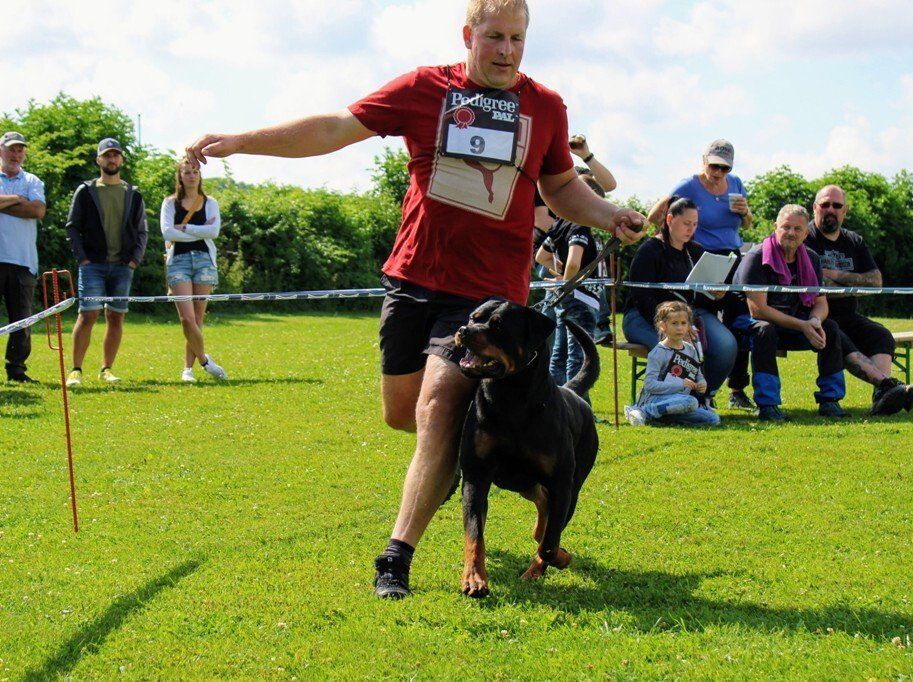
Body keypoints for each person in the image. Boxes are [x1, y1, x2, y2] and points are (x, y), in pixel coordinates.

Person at [185, 0, 645, 600]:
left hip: (484, 295)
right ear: (468, 35)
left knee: (438, 405)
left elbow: (559, 187)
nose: (506, 51)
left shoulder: (546, 107)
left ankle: (395, 556)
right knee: (404, 414)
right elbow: (336, 128)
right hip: (413, 278)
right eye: (495, 37)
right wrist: (242, 142)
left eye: (517, 39)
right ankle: (450, 465)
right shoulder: (424, 89)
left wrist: (609, 214)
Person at [646, 139, 755, 410]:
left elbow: (748, 225)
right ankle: (701, 388)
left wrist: (746, 213)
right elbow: (655, 215)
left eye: (725, 168)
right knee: (703, 327)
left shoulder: (736, 184)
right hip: (700, 259)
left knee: (740, 323)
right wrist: (667, 241)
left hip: (731, 260)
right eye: (714, 166)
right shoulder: (688, 186)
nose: (719, 173)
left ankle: (736, 389)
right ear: (703, 160)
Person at [804, 185, 913, 415]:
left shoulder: (854, 241)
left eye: (837, 205)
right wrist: (854, 285)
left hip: (849, 315)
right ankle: (888, 386)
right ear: (815, 208)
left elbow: (875, 282)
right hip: (817, 317)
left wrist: (833, 274)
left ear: (845, 210)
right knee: (838, 336)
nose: (831, 210)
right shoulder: (805, 238)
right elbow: (819, 287)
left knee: (881, 335)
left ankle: (882, 396)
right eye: (825, 204)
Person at [734, 205, 847, 421]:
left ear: (806, 234)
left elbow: (821, 303)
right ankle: (768, 405)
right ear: (775, 227)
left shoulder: (812, 258)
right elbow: (757, 310)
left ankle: (830, 400)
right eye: (786, 227)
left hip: (794, 324)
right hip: (748, 324)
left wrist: (814, 320)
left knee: (829, 328)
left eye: (797, 229)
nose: (791, 233)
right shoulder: (757, 257)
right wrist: (802, 325)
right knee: (765, 331)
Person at [624, 197, 737, 395]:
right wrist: (673, 325)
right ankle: (672, 399)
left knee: (726, 345)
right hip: (643, 316)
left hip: (689, 315)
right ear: (669, 219)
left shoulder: (696, 251)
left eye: (695, 224)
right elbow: (641, 297)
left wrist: (716, 295)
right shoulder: (649, 251)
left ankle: (703, 395)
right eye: (686, 223)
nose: (691, 229)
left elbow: (697, 298)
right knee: (675, 348)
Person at [65, 138, 149, 387]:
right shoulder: (85, 191)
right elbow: (72, 227)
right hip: (92, 265)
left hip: (123, 266)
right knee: (88, 315)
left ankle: (106, 369)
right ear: (98, 160)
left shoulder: (133, 194)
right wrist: (83, 259)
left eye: (115, 155)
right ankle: (76, 370)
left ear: (121, 159)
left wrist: (134, 261)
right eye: (107, 155)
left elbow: (142, 231)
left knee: (116, 317)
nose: (112, 159)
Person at [535, 174, 604, 394]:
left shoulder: (559, 224)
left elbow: (541, 257)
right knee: (579, 358)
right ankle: (578, 406)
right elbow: (574, 262)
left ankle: (554, 404)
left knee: (559, 355)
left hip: (564, 301)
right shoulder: (580, 226)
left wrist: (561, 276)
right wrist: (566, 280)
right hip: (582, 300)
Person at [160, 160, 228, 382]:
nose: (191, 176)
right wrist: (200, 231)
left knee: (198, 318)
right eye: (187, 172)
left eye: (195, 172)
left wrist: (186, 228)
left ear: (200, 175)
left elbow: (213, 232)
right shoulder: (170, 203)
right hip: (178, 261)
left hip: (204, 261)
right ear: (180, 176)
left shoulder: (210, 202)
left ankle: (187, 369)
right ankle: (205, 361)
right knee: (187, 318)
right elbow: (168, 233)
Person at [624, 300, 720, 427]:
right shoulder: (658, 352)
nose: (679, 328)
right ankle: (644, 411)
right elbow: (649, 385)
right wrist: (680, 384)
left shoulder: (690, 349)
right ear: (663, 326)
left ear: (689, 326)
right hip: (657, 399)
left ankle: (662, 418)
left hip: (679, 401)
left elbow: (697, 374)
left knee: (713, 419)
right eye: (674, 323)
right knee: (691, 402)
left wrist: (702, 383)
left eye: (683, 323)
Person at [0, 132, 46, 383]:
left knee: (22, 320)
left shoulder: (32, 180)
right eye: (11, 149)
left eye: (20, 150)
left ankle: (16, 370)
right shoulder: (25, 188)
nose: (16, 155)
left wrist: (4, 203)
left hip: (23, 260)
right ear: (1, 151)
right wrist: (18, 199)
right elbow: (28, 206)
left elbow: (37, 210)